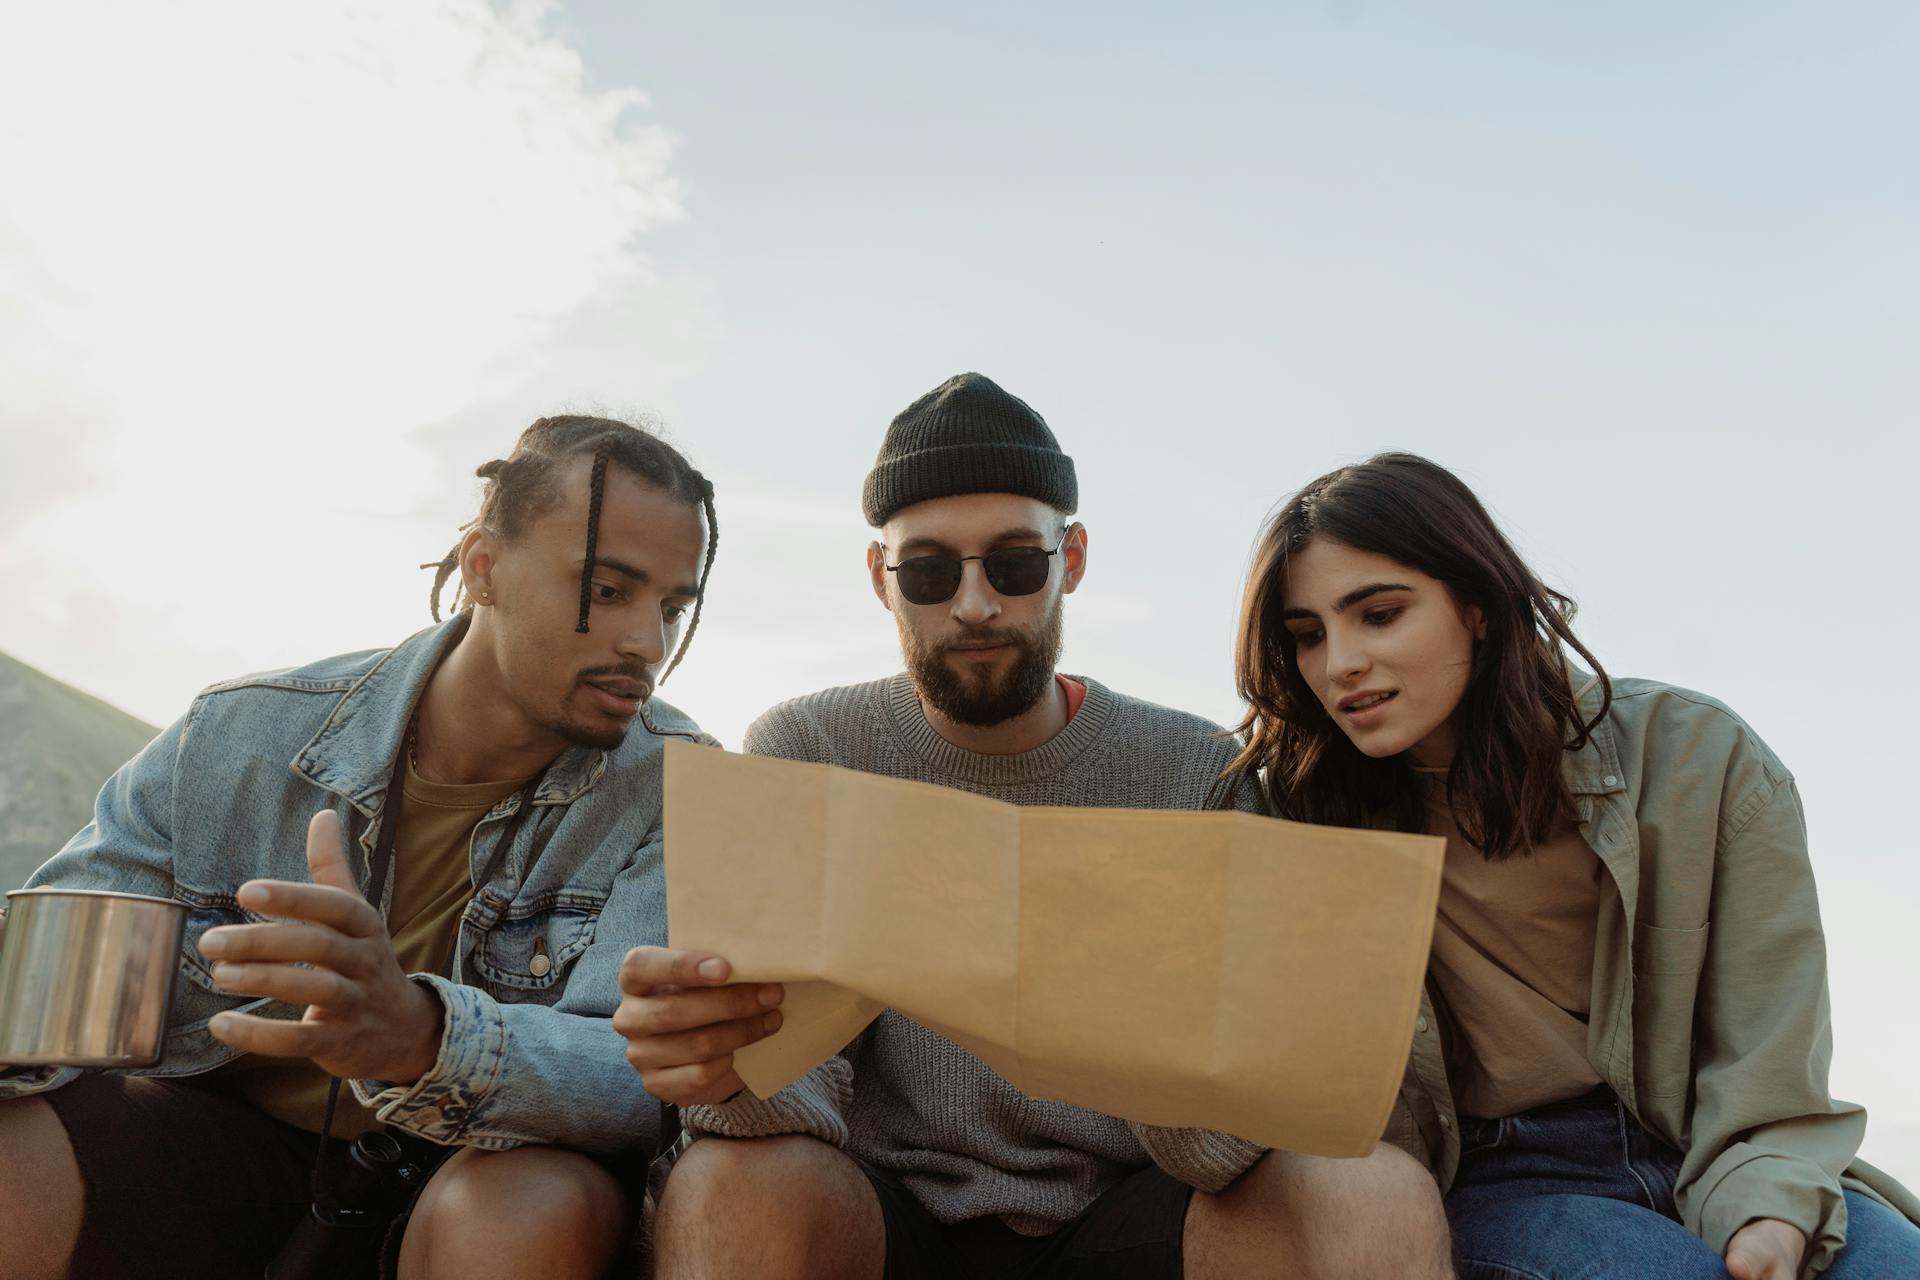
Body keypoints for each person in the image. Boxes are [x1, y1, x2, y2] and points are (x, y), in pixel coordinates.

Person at [616, 374, 1456, 1280]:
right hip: (882, 1213)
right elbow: (780, 1110)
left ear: (1074, 559)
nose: (974, 606)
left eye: (1015, 563)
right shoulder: (806, 743)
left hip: (1134, 1215)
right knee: (729, 1186)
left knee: (1368, 1192)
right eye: (930, 572)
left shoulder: (1196, 769)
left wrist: (1159, 1047)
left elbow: (1227, 1151)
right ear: (879, 578)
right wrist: (724, 1068)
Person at [0, 415, 720, 1280]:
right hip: (218, 1144)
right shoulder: (240, 736)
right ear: (483, 567)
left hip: (472, 1170)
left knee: (528, 1204)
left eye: (672, 607)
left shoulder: (680, 789)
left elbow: (641, 1077)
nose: (647, 641)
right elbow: (52, 984)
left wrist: (418, 1035)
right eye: (608, 591)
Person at [1228, 451, 1920, 1280]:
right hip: (1505, 1175)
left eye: (1378, 615)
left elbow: (1769, 1053)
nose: (1339, 663)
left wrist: (1769, 1215)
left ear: (1477, 605)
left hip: (1716, 1148)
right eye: (1308, 636)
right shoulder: (1302, 813)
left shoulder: (1697, 759)